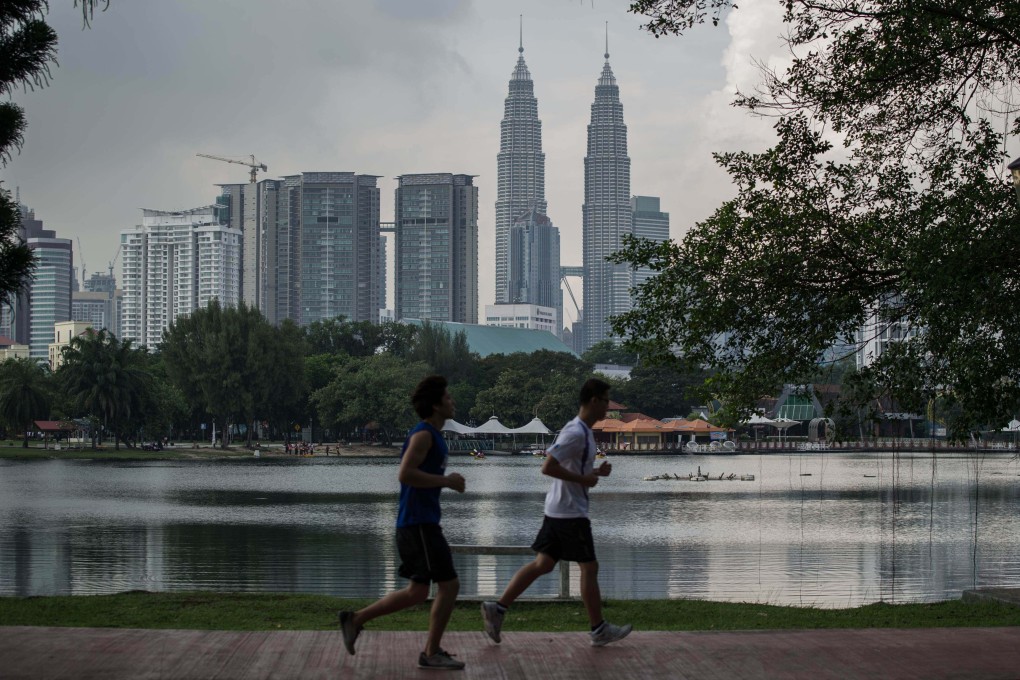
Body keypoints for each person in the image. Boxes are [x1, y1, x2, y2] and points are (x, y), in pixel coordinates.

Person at [481, 378, 632, 647]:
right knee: (589, 566)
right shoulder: (575, 432)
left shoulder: (584, 432)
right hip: (569, 513)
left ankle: (498, 609)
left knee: (544, 564)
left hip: (559, 510)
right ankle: (598, 629)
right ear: (594, 400)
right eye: (607, 401)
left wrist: (595, 472)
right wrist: (585, 480)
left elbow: (570, 469)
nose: (608, 408)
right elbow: (548, 467)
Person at [339, 374, 467, 671]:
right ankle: (431, 652)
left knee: (418, 591)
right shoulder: (423, 435)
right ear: (435, 405)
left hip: (420, 523)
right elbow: (405, 474)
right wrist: (446, 481)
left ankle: (355, 619)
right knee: (449, 585)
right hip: (418, 524)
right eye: (448, 398)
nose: (453, 402)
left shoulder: (435, 437)